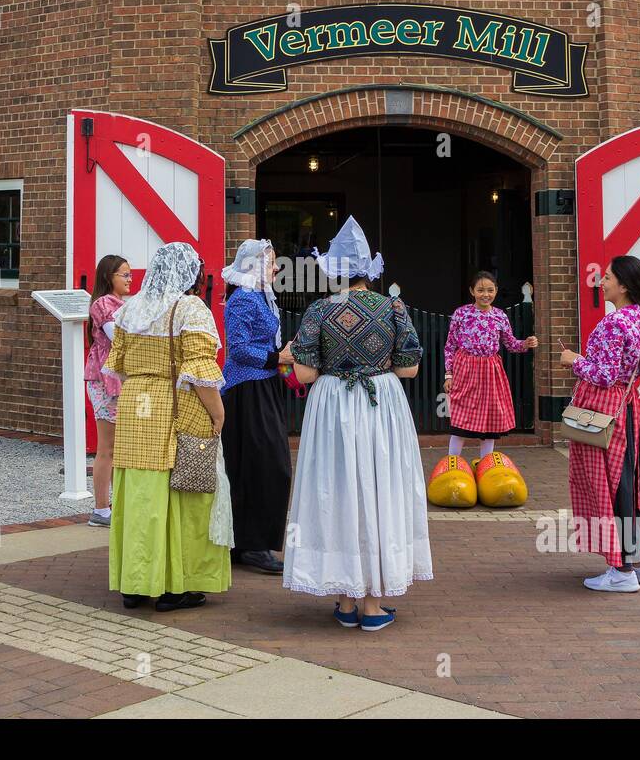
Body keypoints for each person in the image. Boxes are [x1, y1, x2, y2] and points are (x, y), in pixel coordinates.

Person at [283, 216, 432, 631]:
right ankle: (372, 604)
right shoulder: (393, 306)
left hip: (332, 404)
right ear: (369, 268)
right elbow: (410, 370)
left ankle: (346, 600)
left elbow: (307, 375)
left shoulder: (318, 310)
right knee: (380, 488)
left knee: (338, 490)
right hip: (380, 403)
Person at [103, 242, 231, 611]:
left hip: (134, 403)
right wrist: (218, 414)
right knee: (182, 492)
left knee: (139, 492)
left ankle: (137, 583)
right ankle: (177, 585)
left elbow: (119, 362)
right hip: (175, 404)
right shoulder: (188, 307)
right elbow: (201, 371)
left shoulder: (133, 307)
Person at [559, 255, 640, 593]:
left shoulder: (614, 322)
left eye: (607, 277)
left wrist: (574, 360)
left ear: (624, 285)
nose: (601, 281)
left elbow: (603, 375)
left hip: (602, 411)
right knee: (627, 483)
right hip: (627, 408)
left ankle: (620, 570)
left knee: (606, 484)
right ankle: (636, 560)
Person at [221, 239, 295, 575]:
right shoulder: (243, 300)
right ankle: (251, 544)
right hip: (246, 389)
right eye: (271, 262)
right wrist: (277, 357)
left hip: (263, 384)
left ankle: (247, 541)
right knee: (265, 466)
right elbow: (237, 348)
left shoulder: (259, 297)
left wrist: (281, 364)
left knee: (261, 465)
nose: (276, 268)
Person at [443, 271, 539, 460]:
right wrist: (449, 374)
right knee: (461, 419)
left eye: (490, 290)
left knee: (489, 420)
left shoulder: (500, 316)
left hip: (491, 371)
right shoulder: (461, 314)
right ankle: (451, 464)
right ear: (472, 291)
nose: (485, 294)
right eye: (480, 290)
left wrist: (525, 343)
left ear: (495, 291)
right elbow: (450, 345)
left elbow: (511, 344)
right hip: (465, 369)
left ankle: (486, 467)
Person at [84, 254, 132, 527]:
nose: (129, 279)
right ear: (108, 277)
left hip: (117, 381)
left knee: (117, 447)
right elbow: (120, 339)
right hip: (105, 382)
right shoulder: (104, 304)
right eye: (123, 274)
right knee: (107, 447)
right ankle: (101, 509)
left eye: (129, 274)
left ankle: (114, 503)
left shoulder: (120, 304)